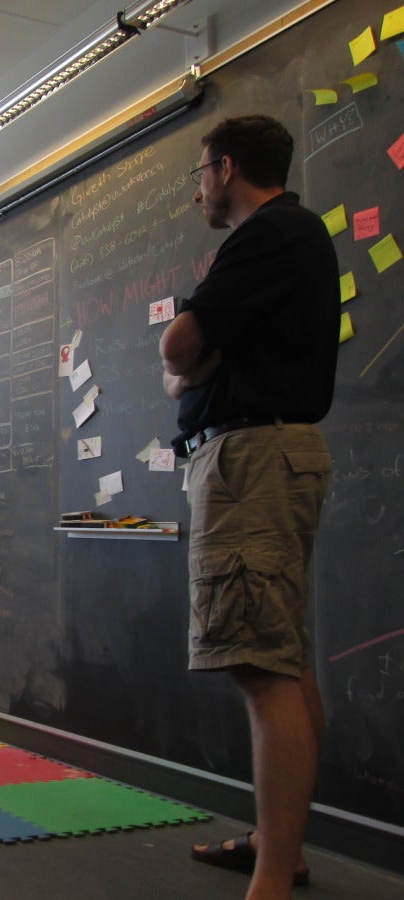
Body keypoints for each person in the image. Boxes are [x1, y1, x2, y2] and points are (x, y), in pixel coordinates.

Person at [159, 115, 338, 900]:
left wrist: (191, 368)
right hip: (268, 457)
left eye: (199, 172)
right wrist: (196, 366)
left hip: (252, 460)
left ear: (226, 168)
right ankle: (279, 847)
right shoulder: (287, 241)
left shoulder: (269, 234)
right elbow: (191, 359)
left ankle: (271, 877)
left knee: (263, 670)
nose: (197, 187)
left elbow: (176, 352)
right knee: (284, 663)